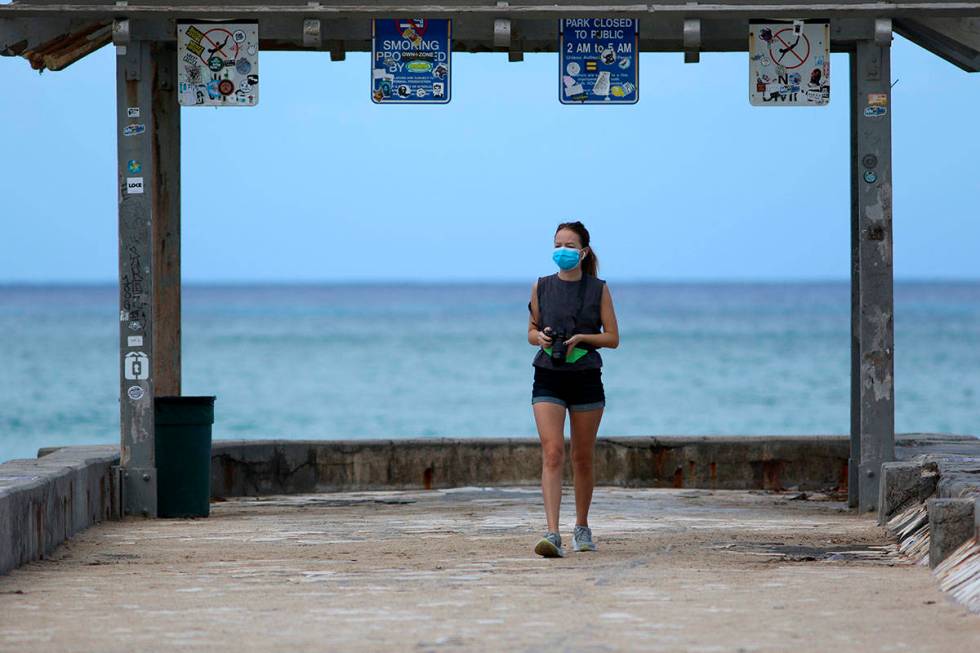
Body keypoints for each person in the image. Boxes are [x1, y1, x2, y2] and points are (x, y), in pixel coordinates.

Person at [526, 221, 620, 558]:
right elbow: (531, 331)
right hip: (548, 374)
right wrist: (542, 338)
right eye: (557, 244)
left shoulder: (598, 289)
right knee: (552, 453)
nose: (562, 250)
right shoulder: (541, 286)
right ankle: (551, 533)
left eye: (569, 245)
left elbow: (613, 338)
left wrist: (582, 338)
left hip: (585, 377)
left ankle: (582, 526)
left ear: (583, 251)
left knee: (582, 457)